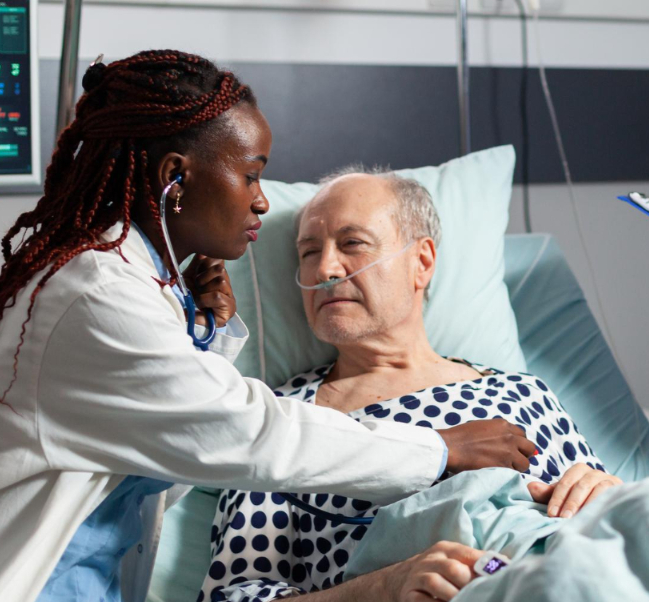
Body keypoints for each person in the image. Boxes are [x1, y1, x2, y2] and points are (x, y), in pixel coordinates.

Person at [0, 51, 532, 602]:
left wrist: (206, 332)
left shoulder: (133, 285)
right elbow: (247, 434)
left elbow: (171, 418)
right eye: (250, 174)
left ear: (425, 261)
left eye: (355, 244)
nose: (263, 201)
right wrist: (438, 450)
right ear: (175, 179)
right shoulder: (97, 292)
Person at [199, 167, 620, 602]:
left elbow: (614, 531)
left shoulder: (524, 394)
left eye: (352, 243)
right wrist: (383, 587)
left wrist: (613, 500)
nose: (325, 268)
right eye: (308, 252)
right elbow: (236, 595)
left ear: (421, 262)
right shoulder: (279, 418)